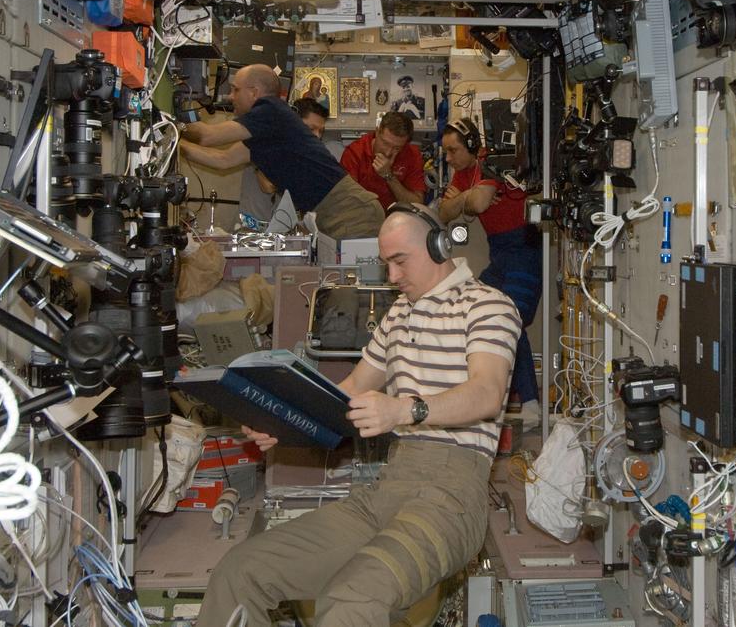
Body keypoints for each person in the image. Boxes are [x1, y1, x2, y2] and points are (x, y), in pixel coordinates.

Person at [195, 206, 520, 627]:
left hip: (451, 497)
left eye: (400, 261)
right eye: (386, 263)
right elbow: (347, 393)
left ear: (439, 246)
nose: (392, 276)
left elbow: (487, 393)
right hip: (388, 488)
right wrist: (284, 423)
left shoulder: (488, 306)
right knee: (240, 573)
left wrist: (404, 408)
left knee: (352, 600)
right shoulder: (398, 314)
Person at [180, 65, 383, 240]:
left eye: (235, 90)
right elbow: (223, 160)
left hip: (351, 211)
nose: (230, 96)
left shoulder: (270, 111)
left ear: (253, 92)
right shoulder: (268, 128)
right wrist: (176, 145)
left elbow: (207, 137)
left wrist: (174, 120)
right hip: (338, 211)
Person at [438, 117, 540, 407]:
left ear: (472, 146)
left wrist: (467, 198)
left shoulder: (493, 161)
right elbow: (444, 213)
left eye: (453, 150)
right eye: (445, 151)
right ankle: (491, 395)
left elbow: (480, 204)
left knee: (510, 319)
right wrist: (469, 196)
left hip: (525, 247)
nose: (448, 158)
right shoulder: (465, 172)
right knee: (474, 312)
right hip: (500, 254)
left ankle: (530, 403)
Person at [240, 97, 328, 224]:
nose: (317, 136)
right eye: (311, 129)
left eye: (321, 131)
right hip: (254, 229)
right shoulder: (268, 142)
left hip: (282, 231)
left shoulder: (303, 156)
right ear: (293, 123)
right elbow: (267, 185)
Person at [339, 111, 426, 211]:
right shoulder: (355, 153)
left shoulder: (412, 155)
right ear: (377, 131)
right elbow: (346, 200)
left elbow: (417, 204)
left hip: (397, 219)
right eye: (385, 143)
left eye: (397, 148)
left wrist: (389, 176)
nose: (388, 152)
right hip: (362, 217)